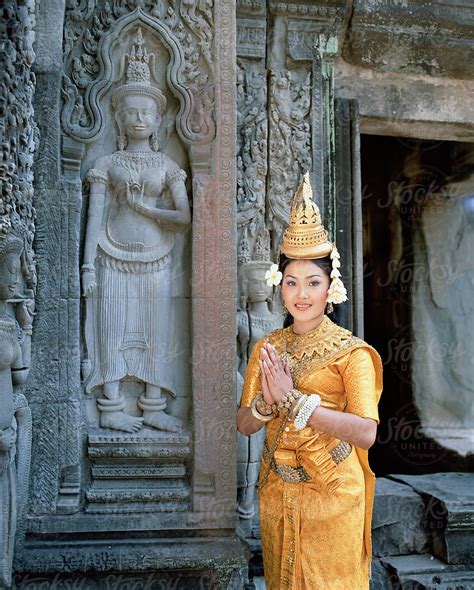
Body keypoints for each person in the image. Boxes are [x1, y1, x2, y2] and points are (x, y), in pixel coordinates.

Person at [237, 173, 383, 589]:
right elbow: (244, 423)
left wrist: (296, 403)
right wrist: (266, 405)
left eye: (313, 283)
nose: (302, 294)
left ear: (329, 288)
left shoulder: (353, 353)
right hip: (277, 491)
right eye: (292, 282)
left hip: (334, 493)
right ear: (278, 287)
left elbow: (366, 433)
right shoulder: (267, 347)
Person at [81, 29, 191, 433]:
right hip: (111, 255)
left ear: (159, 117)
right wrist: (87, 266)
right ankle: (110, 407)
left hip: (156, 258)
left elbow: (184, 217)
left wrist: (142, 207)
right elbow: (94, 216)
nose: (139, 117)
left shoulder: (166, 166)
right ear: (118, 117)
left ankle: (153, 404)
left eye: (146, 110)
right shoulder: (107, 163)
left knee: (153, 333)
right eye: (130, 111)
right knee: (111, 327)